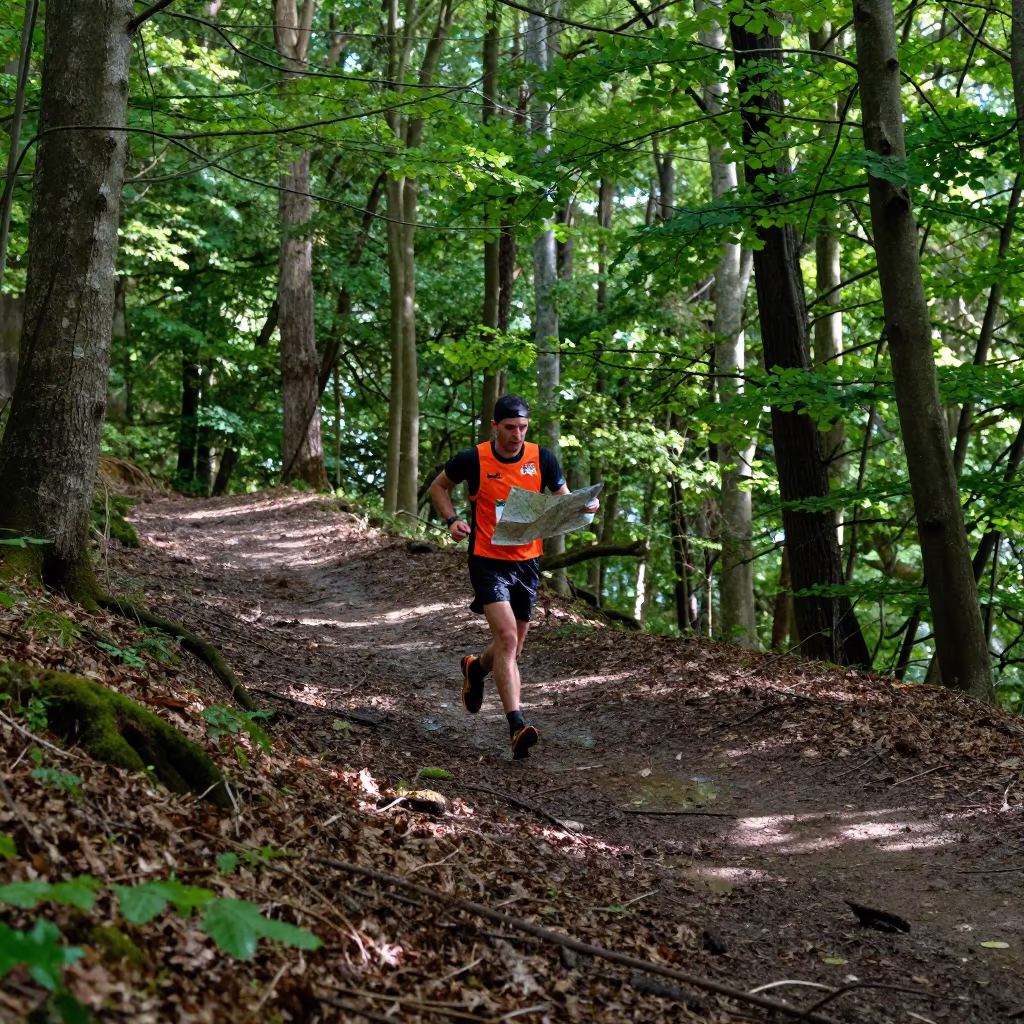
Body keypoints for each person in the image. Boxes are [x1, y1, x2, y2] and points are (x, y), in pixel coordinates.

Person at [428, 394, 600, 759]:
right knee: (506, 637)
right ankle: (516, 726)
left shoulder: (543, 458)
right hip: (487, 560)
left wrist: (585, 506)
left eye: (522, 427)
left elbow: (563, 501)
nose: (517, 434)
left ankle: (476, 669)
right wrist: (452, 519)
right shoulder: (473, 459)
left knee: (513, 648)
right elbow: (438, 487)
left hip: (527, 562)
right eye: (510, 428)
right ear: (495, 426)